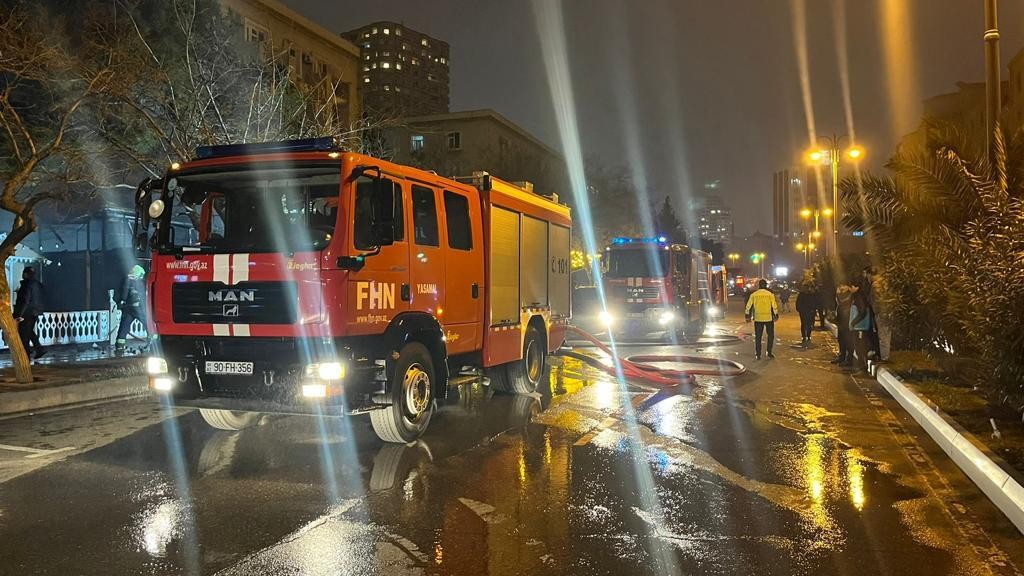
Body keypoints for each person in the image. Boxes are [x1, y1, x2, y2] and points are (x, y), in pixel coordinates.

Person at [13, 267, 45, 360]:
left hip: (27, 313)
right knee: (29, 331)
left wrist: (19, 314)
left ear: (25, 274)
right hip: (35, 312)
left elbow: (25, 301)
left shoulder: (26, 285)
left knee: (24, 335)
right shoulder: (38, 284)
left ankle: (26, 356)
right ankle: (39, 349)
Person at [115, 265, 147, 355]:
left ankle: (120, 346)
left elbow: (123, 293)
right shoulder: (137, 281)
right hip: (137, 307)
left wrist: (122, 301)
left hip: (127, 308)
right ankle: (153, 342)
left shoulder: (127, 279)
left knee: (124, 326)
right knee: (148, 323)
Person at [744, 279, 779, 359]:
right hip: (768, 318)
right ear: (766, 285)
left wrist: (747, 315)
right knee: (770, 336)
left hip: (758, 318)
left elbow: (748, 305)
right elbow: (774, 305)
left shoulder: (754, 294)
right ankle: (769, 352)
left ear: (759, 285)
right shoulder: (770, 294)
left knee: (758, 337)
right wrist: (776, 314)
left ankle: (758, 354)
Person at [849, 287, 873, 372]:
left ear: (857, 287)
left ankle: (863, 368)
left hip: (860, 327)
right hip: (858, 327)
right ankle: (862, 367)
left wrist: (853, 322)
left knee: (860, 347)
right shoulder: (857, 296)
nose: (850, 288)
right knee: (859, 347)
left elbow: (863, 312)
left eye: (851, 286)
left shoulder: (859, 297)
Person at [831, 285, 855, 366]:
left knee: (848, 341)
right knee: (841, 340)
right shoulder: (842, 295)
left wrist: (838, 294)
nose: (841, 288)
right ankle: (842, 356)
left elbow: (842, 301)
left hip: (847, 321)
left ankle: (849, 359)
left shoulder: (850, 295)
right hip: (841, 320)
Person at [795, 279, 819, 347]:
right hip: (806, 311)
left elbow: (814, 302)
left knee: (806, 324)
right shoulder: (805, 294)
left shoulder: (808, 294)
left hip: (807, 311)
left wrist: (813, 309)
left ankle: (806, 336)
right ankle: (806, 336)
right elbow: (798, 303)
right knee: (807, 324)